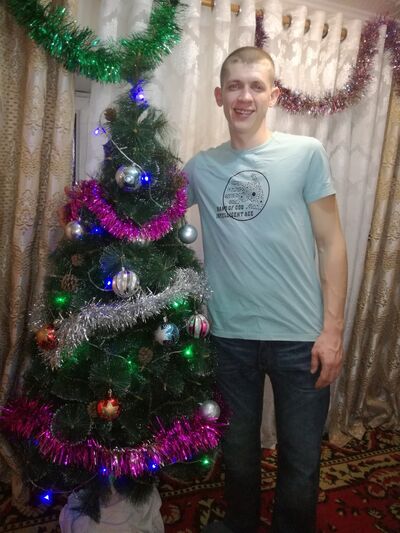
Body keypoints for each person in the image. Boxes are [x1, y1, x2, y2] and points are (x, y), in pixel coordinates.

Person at [183, 46, 348, 533]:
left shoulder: (305, 154)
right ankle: (240, 524)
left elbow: (332, 243)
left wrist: (332, 331)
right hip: (229, 337)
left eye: (256, 86)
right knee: (237, 451)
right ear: (219, 95)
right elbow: (153, 213)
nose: (245, 96)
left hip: (300, 339)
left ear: (273, 95)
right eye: (235, 86)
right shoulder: (201, 167)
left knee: (300, 459)